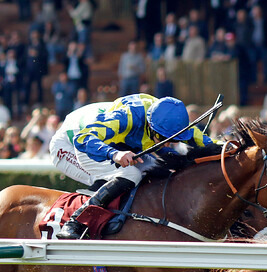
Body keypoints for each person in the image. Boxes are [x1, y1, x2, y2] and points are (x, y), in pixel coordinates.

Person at [49, 94, 215, 239]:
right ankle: (76, 222)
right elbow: (83, 139)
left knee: (158, 168)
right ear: (151, 126)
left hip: (113, 142)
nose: (170, 143)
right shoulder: (126, 117)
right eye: (166, 138)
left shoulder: (169, 118)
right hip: (74, 144)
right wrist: (115, 155)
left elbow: (206, 142)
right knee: (131, 175)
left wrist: (226, 148)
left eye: (175, 139)